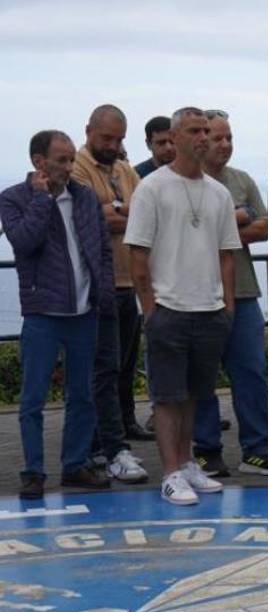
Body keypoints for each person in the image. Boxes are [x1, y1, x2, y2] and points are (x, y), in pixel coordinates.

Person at [125, 108, 239, 505]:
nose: (203, 138)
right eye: (194, 130)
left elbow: (227, 254)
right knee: (167, 397)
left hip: (209, 309)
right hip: (169, 308)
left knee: (195, 393)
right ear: (174, 137)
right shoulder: (152, 188)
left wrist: (227, 306)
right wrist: (150, 308)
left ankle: (188, 462)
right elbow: (138, 254)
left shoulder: (219, 192)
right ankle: (171, 472)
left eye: (207, 130)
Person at [1, 130, 113, 498]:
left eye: (70, 159)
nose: (70, 166)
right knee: (32, 398)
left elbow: (101, 249)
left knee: (81, 394)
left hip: (84, 311)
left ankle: (75, 465)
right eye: (62, 160)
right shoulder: (13, 198)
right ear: (39, 161)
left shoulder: (84, 197)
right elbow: (23, 241)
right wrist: (41, 199)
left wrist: (104, 295)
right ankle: (33, 471)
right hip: (43, 314)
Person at [192, 111, 268, 478]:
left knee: (250, 372)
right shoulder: (185, 182)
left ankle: (258, 449)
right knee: (201, 376)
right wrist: (238, 218)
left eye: (229, 137)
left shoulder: (243, 180)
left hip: (244, 290)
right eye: (218, 138)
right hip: (198, 293)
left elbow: (264, 229)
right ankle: (205, 449)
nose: (225, 144)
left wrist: (223, 226)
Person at [69, 105, 150, 486]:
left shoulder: (122, 168)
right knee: (99, 371)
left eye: (119, 139)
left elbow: (146, 211)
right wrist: (124, 212)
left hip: (128, 283)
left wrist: (118, 209)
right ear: (89, 131)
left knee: (119, 370)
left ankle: (107, 443)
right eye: (107, 139)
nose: (115, 146)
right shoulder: (78, 167)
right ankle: (108, 446)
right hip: (97, 286)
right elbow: (89, 217)